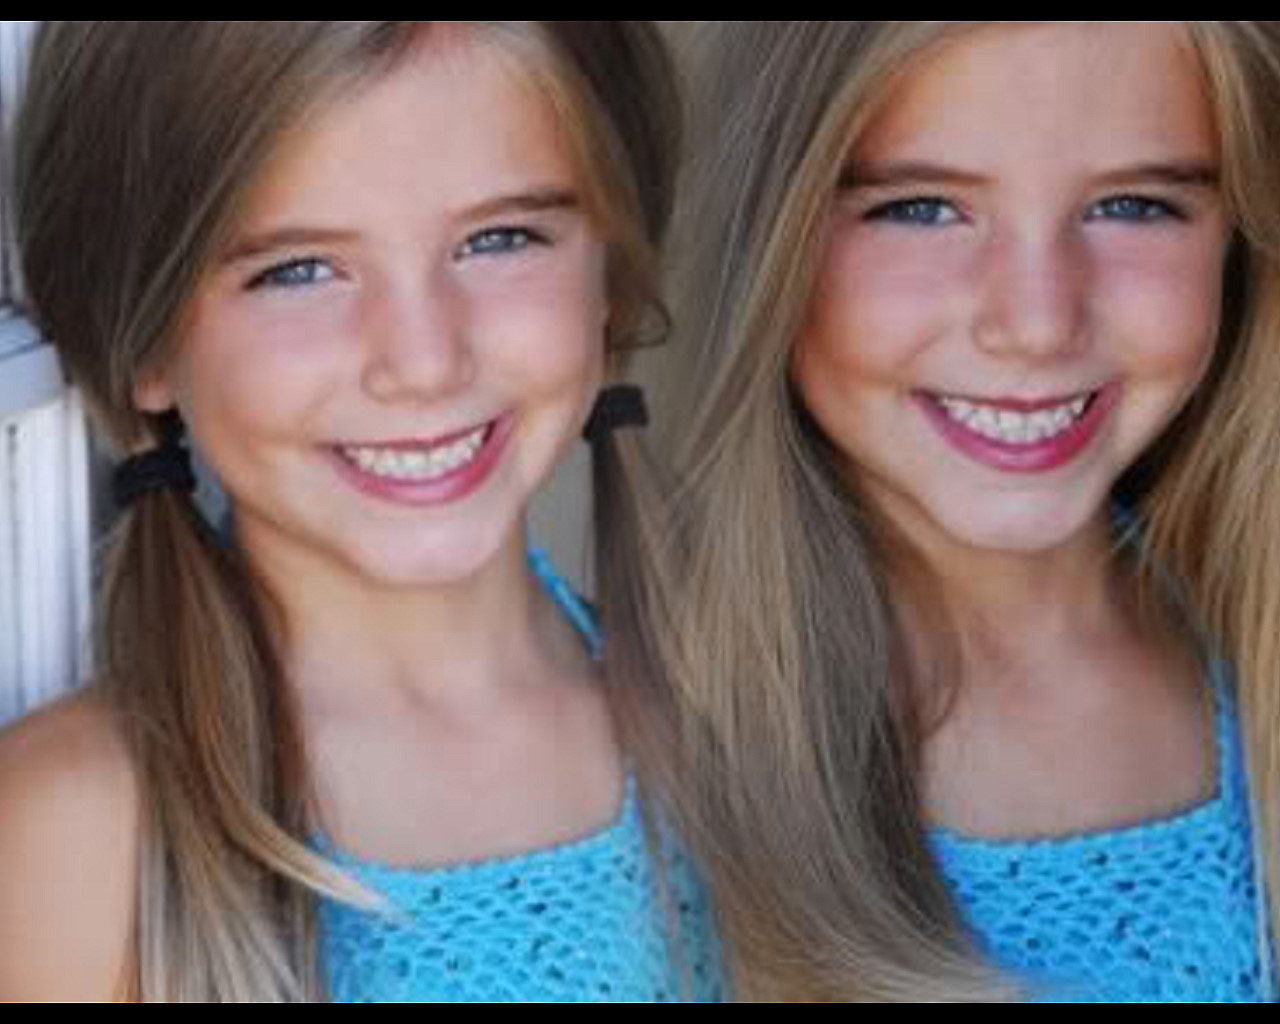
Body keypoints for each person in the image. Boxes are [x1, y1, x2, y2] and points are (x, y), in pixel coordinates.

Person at [0, 21, 721, 1002]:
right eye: (296, 269)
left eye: (498, 238)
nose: (423, 361)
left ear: (610, 274)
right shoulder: (76, 836)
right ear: (145, 340)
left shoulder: (746, 745)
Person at [609, 21, 1280, 1001]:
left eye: (1133, 205)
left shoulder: (1242, 660)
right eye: (921, 208)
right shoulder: (610, 787)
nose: (1037, 322)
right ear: (770, 240)